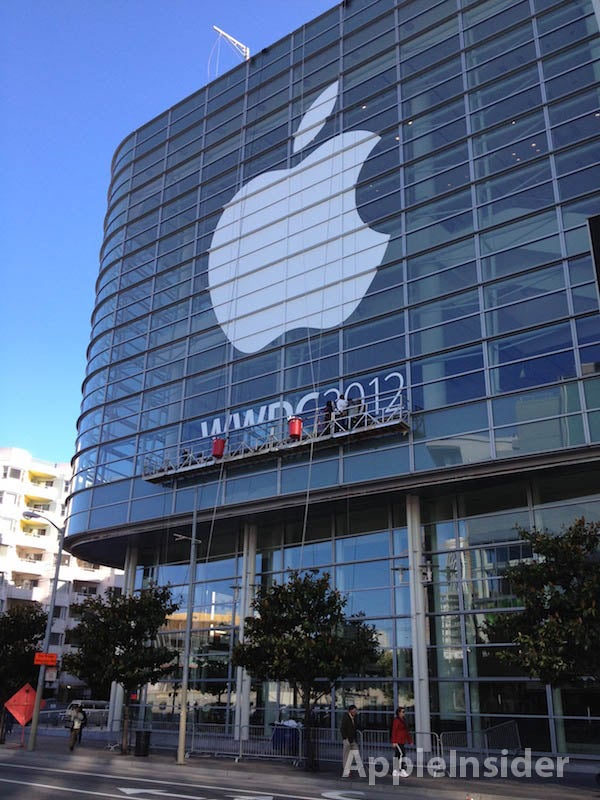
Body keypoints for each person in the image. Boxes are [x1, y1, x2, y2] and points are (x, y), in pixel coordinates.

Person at [340, 704, 362, 777]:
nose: (355, 712)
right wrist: (345, 738)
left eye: (356, 711)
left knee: (356, 753)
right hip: (347, 739)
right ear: (350, 711)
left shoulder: (354, 717)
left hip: (353, 739)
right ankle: (346, 771)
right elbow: (342, 728)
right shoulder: (346, 717)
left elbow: (355, 727)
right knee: (346, 756)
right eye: (354, 711)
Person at [390, 706, 413, 777]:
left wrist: (410, 741)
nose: (404, 713)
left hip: (402, 740)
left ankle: (397, 770)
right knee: (402, 754)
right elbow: (394, 731)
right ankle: (400, 769)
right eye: (402, 712)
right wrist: (393, 741)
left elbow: (406, 731)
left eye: (404, 712)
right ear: (399, 713)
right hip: (398, 740)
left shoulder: (403, 720)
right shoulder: (396, 720)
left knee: (398, 754)